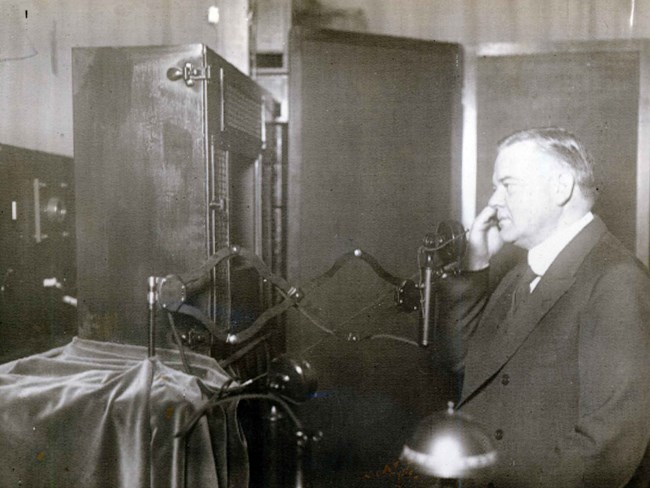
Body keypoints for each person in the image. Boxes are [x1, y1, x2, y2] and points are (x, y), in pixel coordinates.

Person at [437, 127, 650, 487]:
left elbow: (608, 445)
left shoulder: (616, 279)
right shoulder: (521, 273)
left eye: (509, 185)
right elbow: (463, 364)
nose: (493, 202)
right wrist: (476, 263)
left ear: (561, 187)